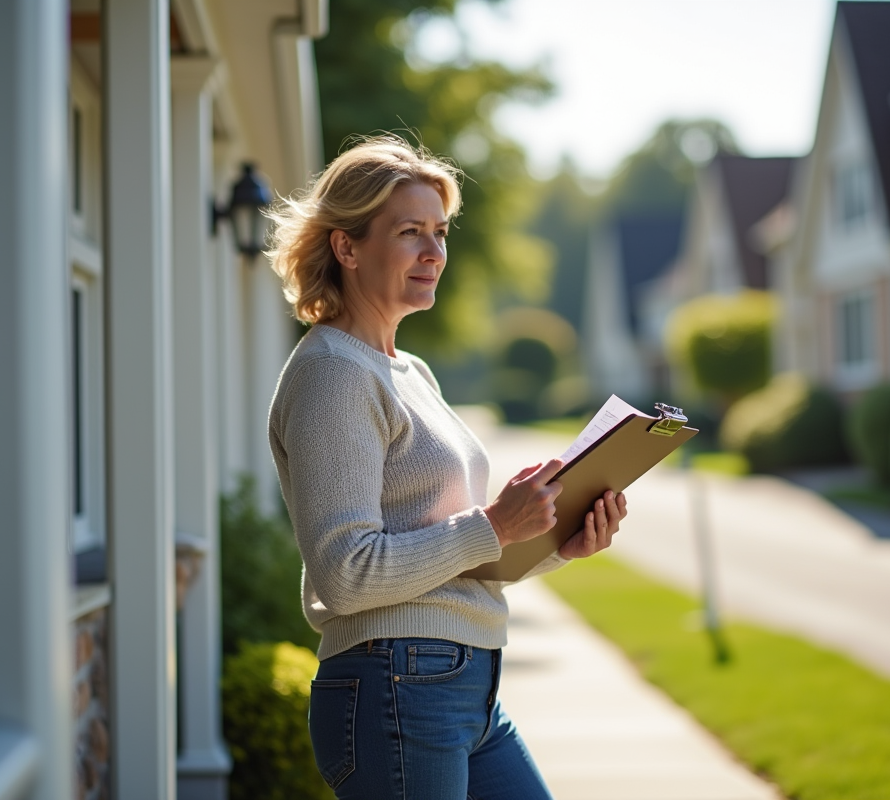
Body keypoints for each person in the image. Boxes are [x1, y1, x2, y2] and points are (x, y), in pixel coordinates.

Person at [265, 135, 627, 800]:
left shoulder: (410, 373)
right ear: (347, 248)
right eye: (409, 233)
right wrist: (492, 523)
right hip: (396, 685)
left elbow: (457, 555)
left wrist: (557, 544)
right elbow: (346, 575)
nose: (434, 253)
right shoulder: (333, 376)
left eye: (439, 231)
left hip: (463, 688)